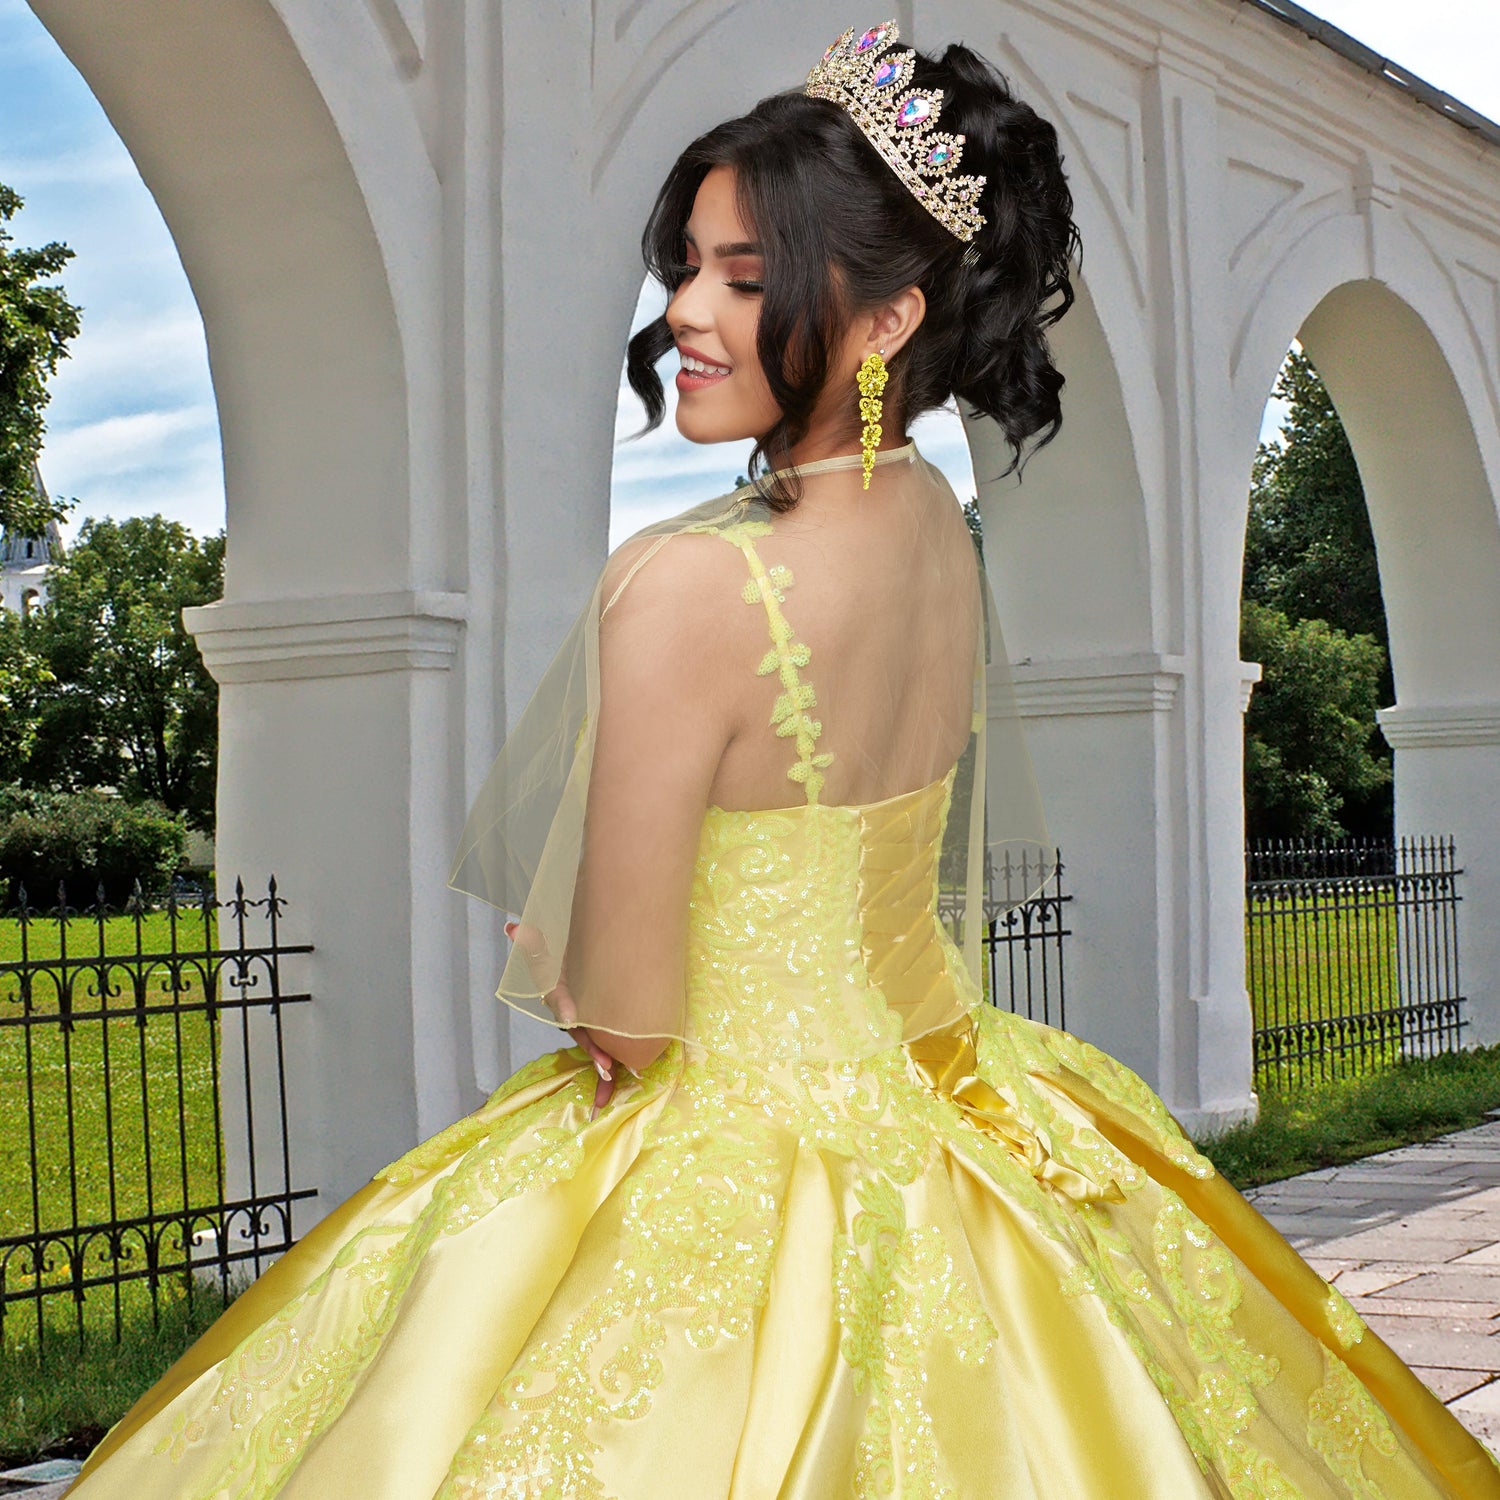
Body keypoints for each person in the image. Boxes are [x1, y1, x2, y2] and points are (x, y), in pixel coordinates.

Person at [65, 21, 1500, 1500]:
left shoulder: (687, 585)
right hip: (955, 1097)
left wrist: (563, 951)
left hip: (733, 1148)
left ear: (883, 322)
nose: (685, 310)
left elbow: (628, 1008)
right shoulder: (937, 523)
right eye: (684, 262)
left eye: (744, 280)